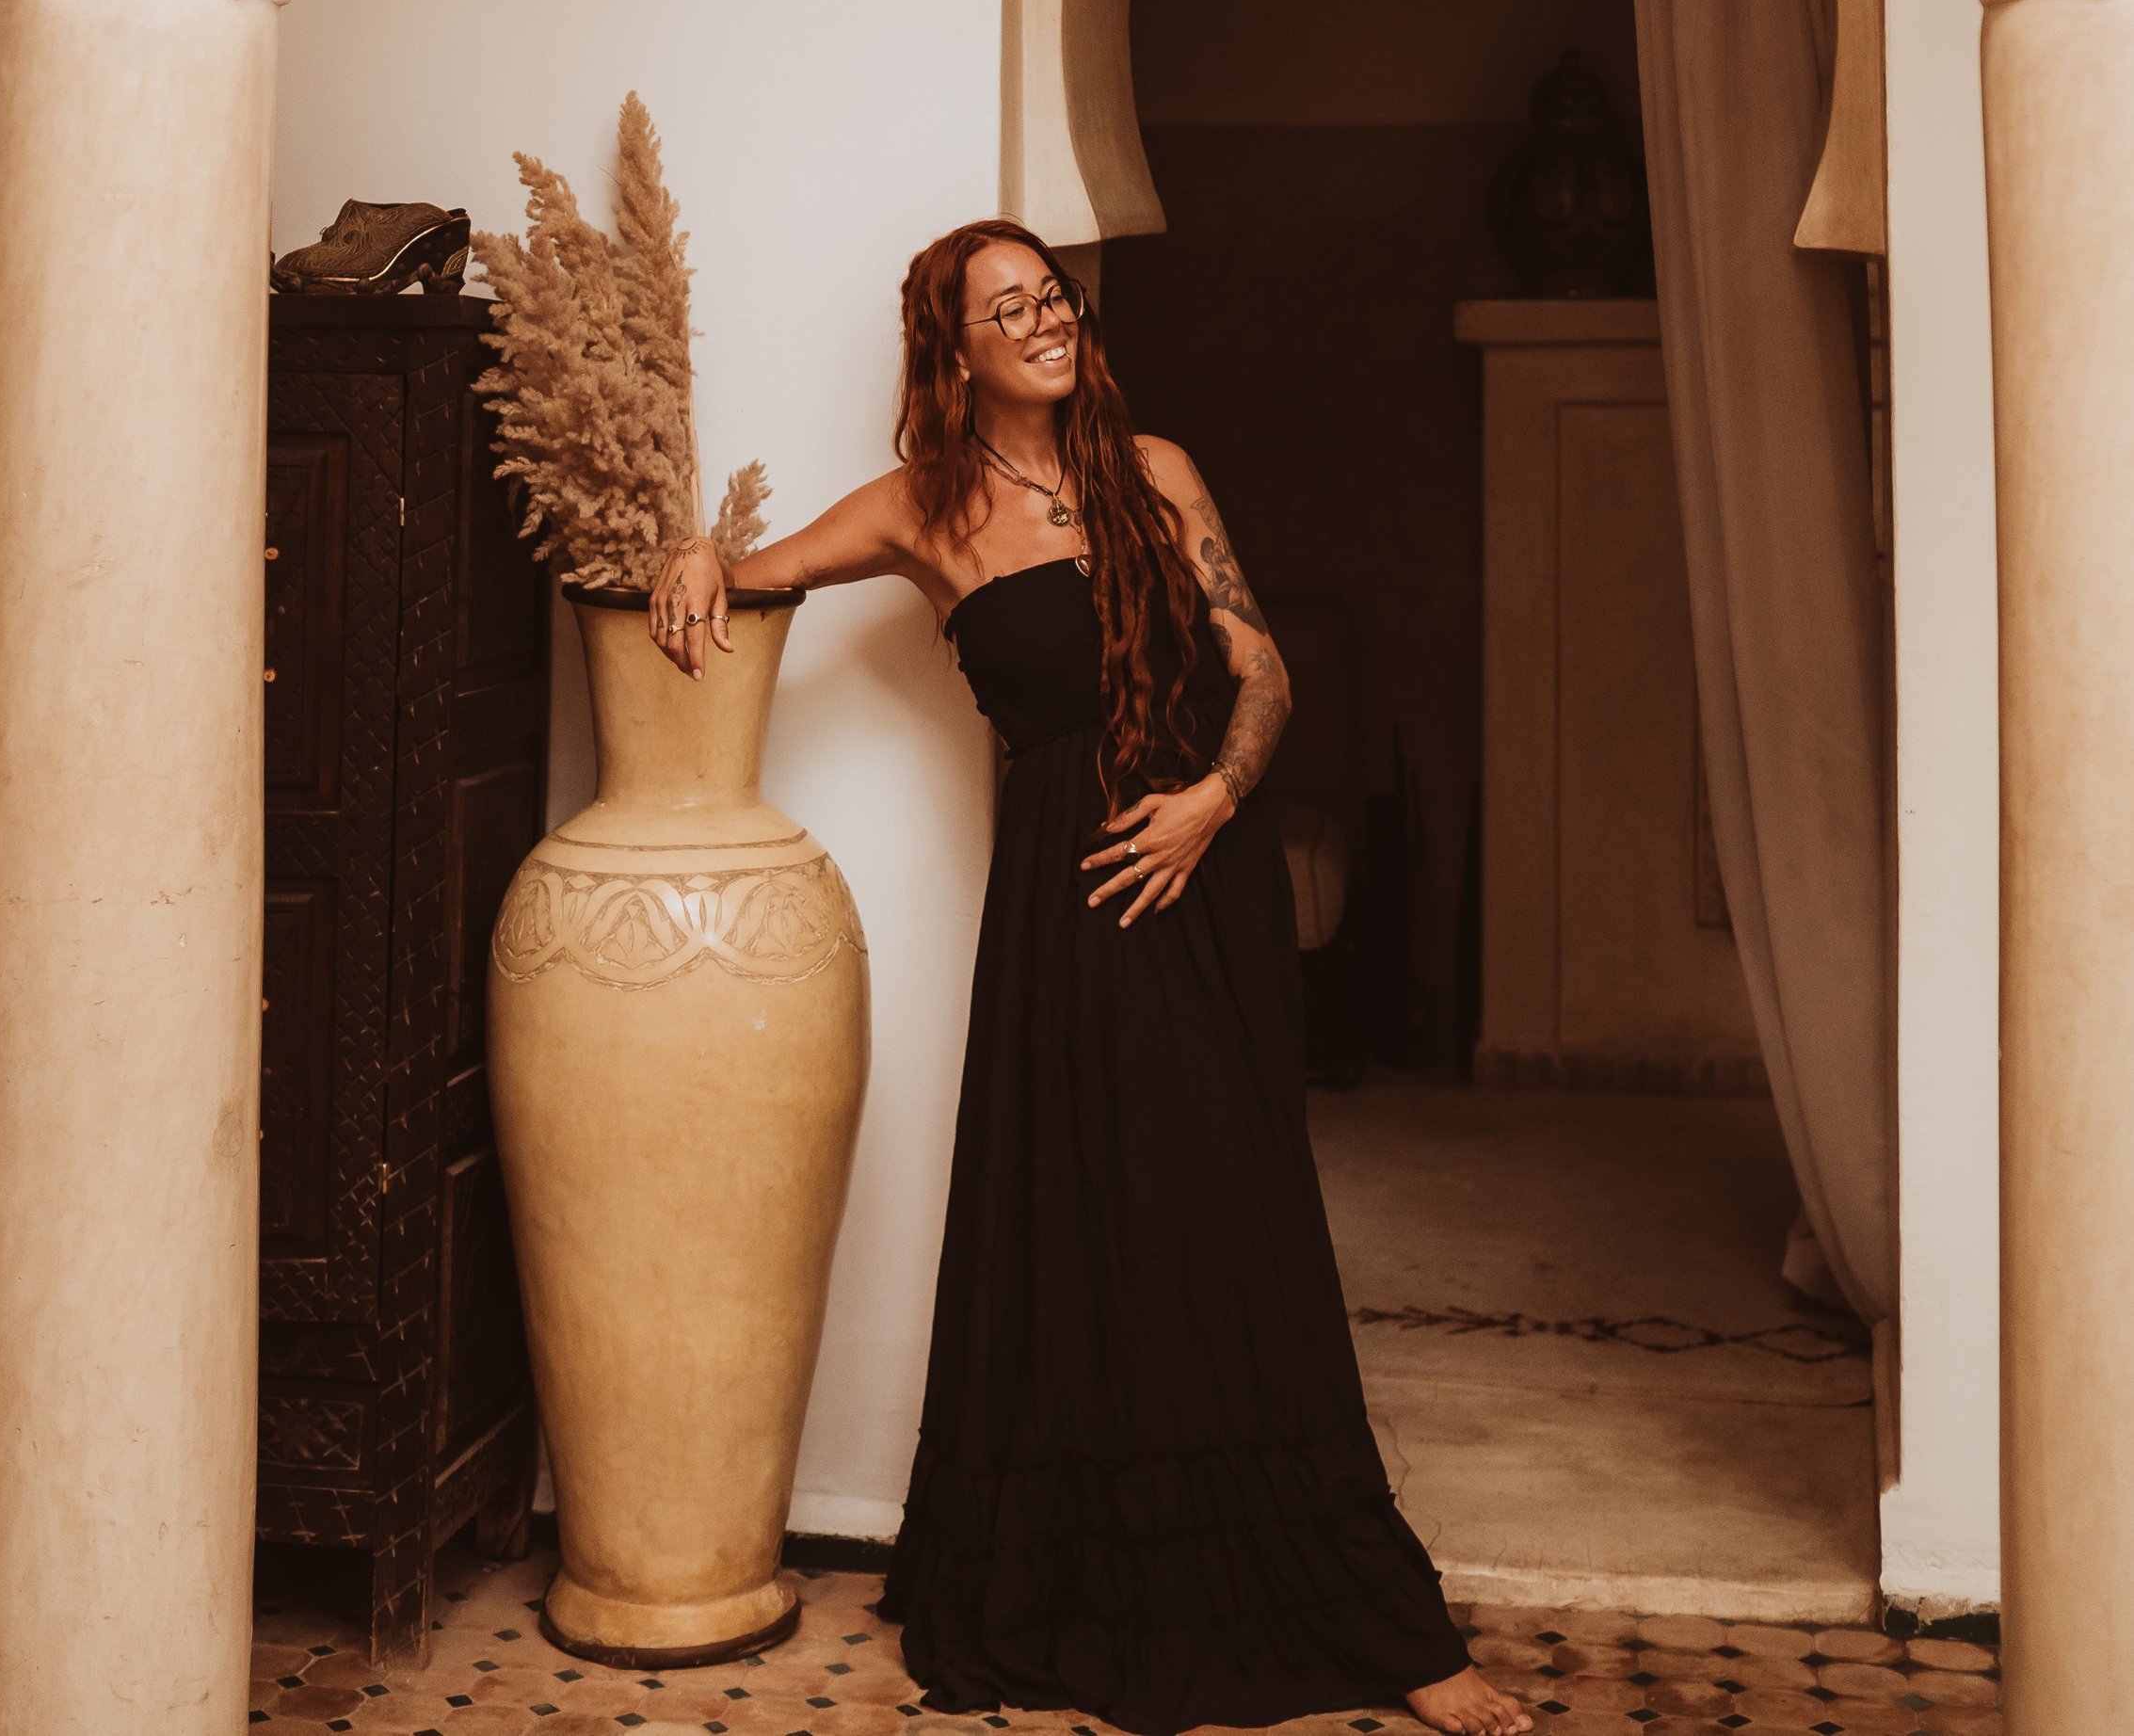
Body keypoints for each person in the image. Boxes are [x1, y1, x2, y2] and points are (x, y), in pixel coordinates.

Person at [650, 218, 1532, 1736]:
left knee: (1237, 1216)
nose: (1046, 319)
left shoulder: (1158, 470)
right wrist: (689, 542)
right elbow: (751, 570)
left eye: (1051, 293)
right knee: (1090, 1217)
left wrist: (1215, 801)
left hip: (1207, 877)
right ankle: (1105, 1580)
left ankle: (1374, 1618)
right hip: (1070, 909)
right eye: (1010, 307)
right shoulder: (921, 514)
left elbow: (1264, 670)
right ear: (958, 348)